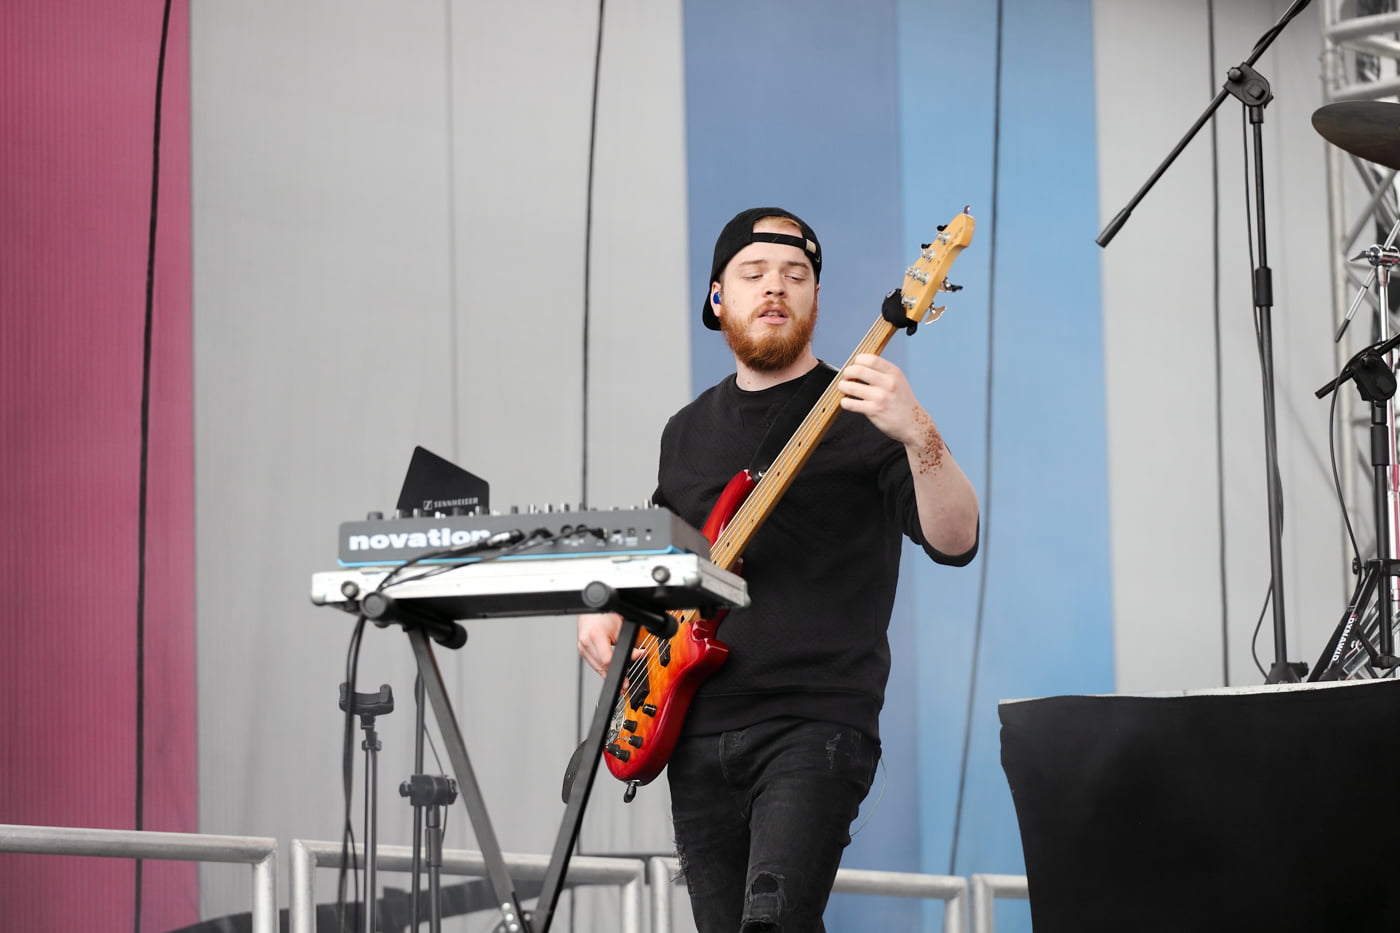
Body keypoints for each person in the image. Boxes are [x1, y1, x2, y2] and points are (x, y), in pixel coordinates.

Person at [577, 207, 979, 932]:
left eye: (796, 275)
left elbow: (956, 538)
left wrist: (918, 429)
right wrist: (609, 600)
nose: (775, 287)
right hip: (693, 726)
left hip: (814, 723)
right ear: (717, 296)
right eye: (754, 272)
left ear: (816, 298)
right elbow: (662, 557)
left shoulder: (863, 414)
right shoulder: (686, 431)